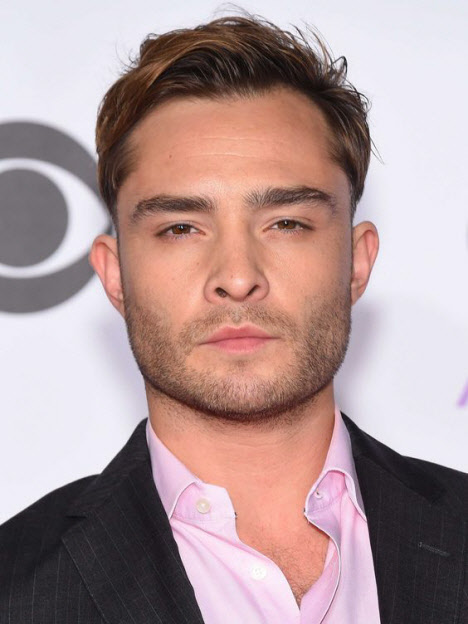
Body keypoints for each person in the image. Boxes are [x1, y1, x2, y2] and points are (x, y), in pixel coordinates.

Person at [1, 14, 467, 624]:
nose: (238, 275)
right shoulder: (15, 588)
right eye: (181, 228)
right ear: (115, 275)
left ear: (357, 262)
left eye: (286, 223)